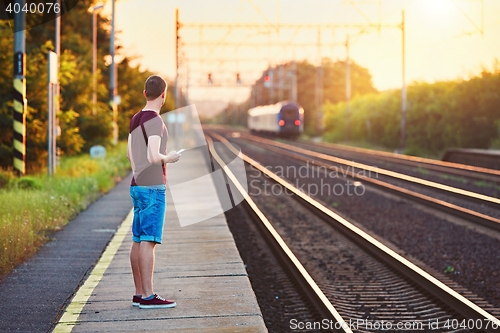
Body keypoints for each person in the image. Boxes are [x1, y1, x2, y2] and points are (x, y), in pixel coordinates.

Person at [127, 75, 180, 309]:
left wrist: (138, 174)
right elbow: (152, 155)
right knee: (149, 240)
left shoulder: (135, 118)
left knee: (138, 239)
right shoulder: (155, 121)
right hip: (152, 186)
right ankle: (148, 296)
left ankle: (139, 293)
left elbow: (130, 155)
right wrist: (170, 158)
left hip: (137, 185)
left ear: (144, 93)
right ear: (163, 95)